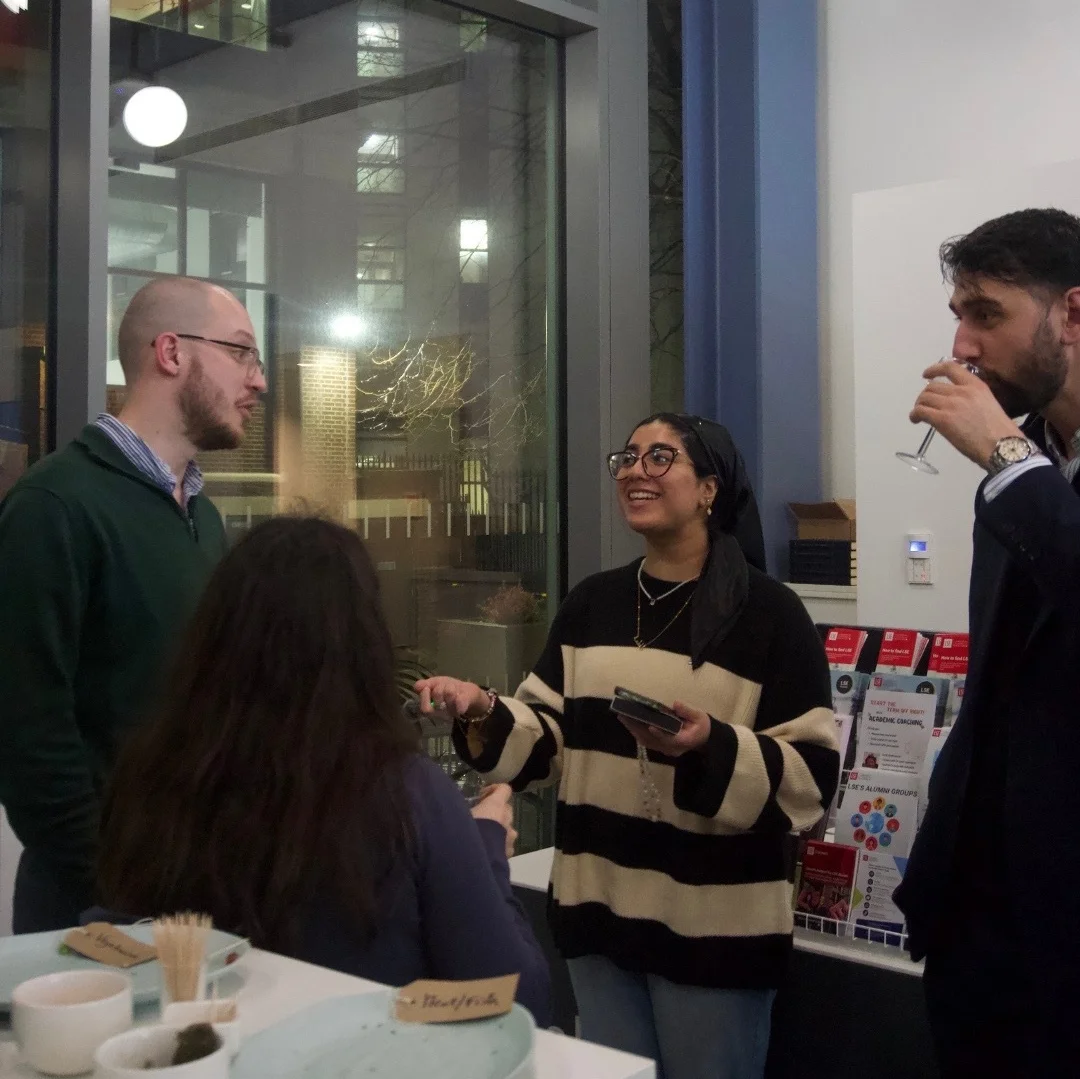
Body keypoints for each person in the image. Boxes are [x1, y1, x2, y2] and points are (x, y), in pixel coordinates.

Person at [417, 413, 839, 1079]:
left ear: (709, 488)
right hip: (600, 918)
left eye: (660, 457)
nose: (635, 471)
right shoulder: (594, 603)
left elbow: (811, 782)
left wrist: (709, 746)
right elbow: (547, 740)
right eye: (628, 456)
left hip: (714, 936)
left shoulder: (770, 615)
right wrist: (483, 710)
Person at [95, 516, 551, 1025]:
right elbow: (512, 996)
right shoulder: (406, 794)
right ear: (364, 641)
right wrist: (486, 847)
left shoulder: (152, 773)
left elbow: (118, 938)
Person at [0, 276, 266, 932]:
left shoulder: (202, 516)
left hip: (196, 889)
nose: (258, 380)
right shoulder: (54, 506)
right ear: (171, 352)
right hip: (99, 910)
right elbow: (29, 733)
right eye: (240, 351)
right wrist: (115, 881)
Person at [894, 208, 1080, 1076]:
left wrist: (1009, 460)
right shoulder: (1019, 466)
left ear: (1072, 312)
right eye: (957, 315)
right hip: (982, 920)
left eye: (987, 314)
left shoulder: (1014, 467)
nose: (961, 347)